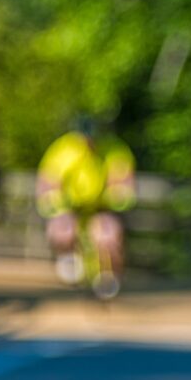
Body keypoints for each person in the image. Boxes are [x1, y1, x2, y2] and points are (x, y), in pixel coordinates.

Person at [35, 118, 135, 293]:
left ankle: (107, 276)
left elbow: (122, 180)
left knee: (107, 236)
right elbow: (49, 181)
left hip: (100, 208)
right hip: (70, 209)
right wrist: (57, 205)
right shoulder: (64, 149)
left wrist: (118, 195)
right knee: (62, 231)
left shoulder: (114, 149)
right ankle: (70, 261)